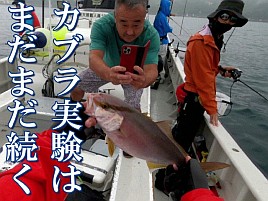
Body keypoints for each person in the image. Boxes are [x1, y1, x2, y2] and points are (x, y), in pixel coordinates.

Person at [172, 0, 248, 152]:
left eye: (233, 19)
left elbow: (206, 67)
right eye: (225, 16)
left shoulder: (215, 37)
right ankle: (167, 171)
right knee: (181, 141)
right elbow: (204, 80)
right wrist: (212, 109)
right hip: (194, 98)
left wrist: (220, 69)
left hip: (198, 97)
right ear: (216, 16)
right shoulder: (202, 42)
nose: (228, 22)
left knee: (186, 135)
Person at [70, 0, 160, 111]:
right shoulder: (102, 26)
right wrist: (108, 74)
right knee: (76, 86)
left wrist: (144, 80)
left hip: (134, 74)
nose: (130, 31)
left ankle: (131, 126)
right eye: (124, 23)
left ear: (144, 17)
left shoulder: (151, 34)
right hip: (106, 67)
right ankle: (73, 113)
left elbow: (152, 69)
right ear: (115, 16)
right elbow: (94, 58)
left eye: (136, 24)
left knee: (134, 108)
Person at [151, 0, 173, 89]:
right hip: (162, 42)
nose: (169, 9)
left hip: (158, 41)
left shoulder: (159, 15)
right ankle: (161, 76)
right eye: (169, 7)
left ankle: (157, 75)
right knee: (162, 59)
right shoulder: (162, 17)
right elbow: (168, 29)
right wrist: (171, 28)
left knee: (158, 59)